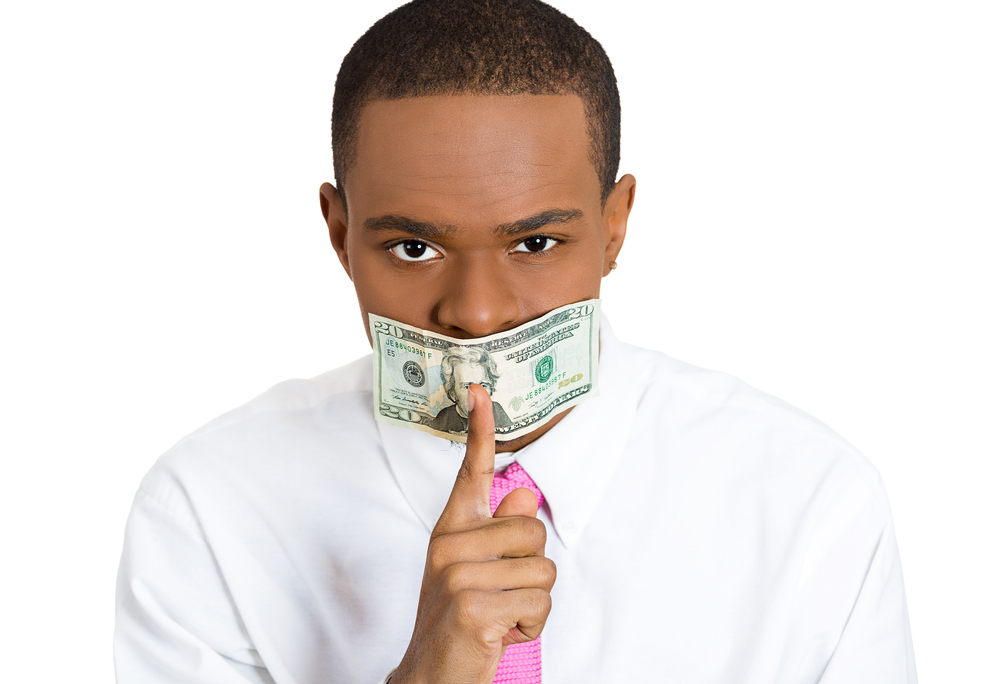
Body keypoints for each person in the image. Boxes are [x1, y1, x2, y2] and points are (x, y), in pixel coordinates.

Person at [114, 1, 917, 683]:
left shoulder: (811, 503)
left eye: (535, 245)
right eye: (412, 248)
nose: (478, 312)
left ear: (614, 226)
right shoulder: (211, 508)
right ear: (339, 232)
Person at [427, 346, 514, 434]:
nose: (477, 394)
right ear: (453, 393)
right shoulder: (445, 417)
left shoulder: (496, 410)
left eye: (484, 385)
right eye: (467, 386)